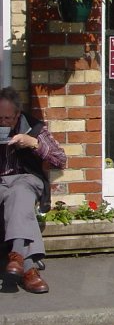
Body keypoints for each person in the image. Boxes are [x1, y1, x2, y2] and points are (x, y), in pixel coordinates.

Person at [0, 87, 67, 293]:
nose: (3, 122)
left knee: (20, 192)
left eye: (8, 118)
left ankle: (18, 258)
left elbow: (60, 160)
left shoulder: (34, 127)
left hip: (27, 180)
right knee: (16, 199)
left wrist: (33, 143)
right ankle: (26, 267)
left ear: (17, 115)